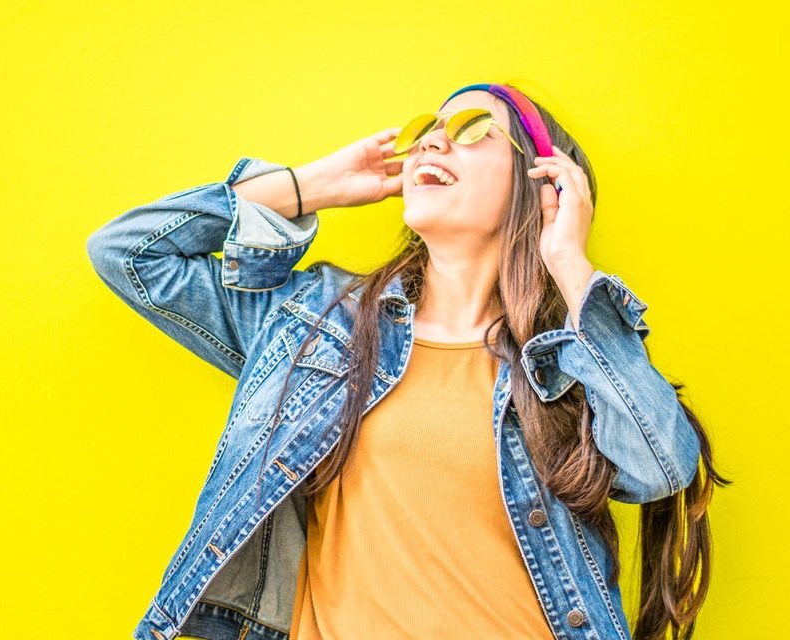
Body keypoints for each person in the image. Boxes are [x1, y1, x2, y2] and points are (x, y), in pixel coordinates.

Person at [87, 82, 731, 640]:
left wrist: (570, 264)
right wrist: (309, 186)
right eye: (425, 132)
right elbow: (129, 255)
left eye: (472, 129)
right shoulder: (316, 323)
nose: (431, 143)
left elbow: (661, 466)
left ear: (542, 181)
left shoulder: (567, 361)